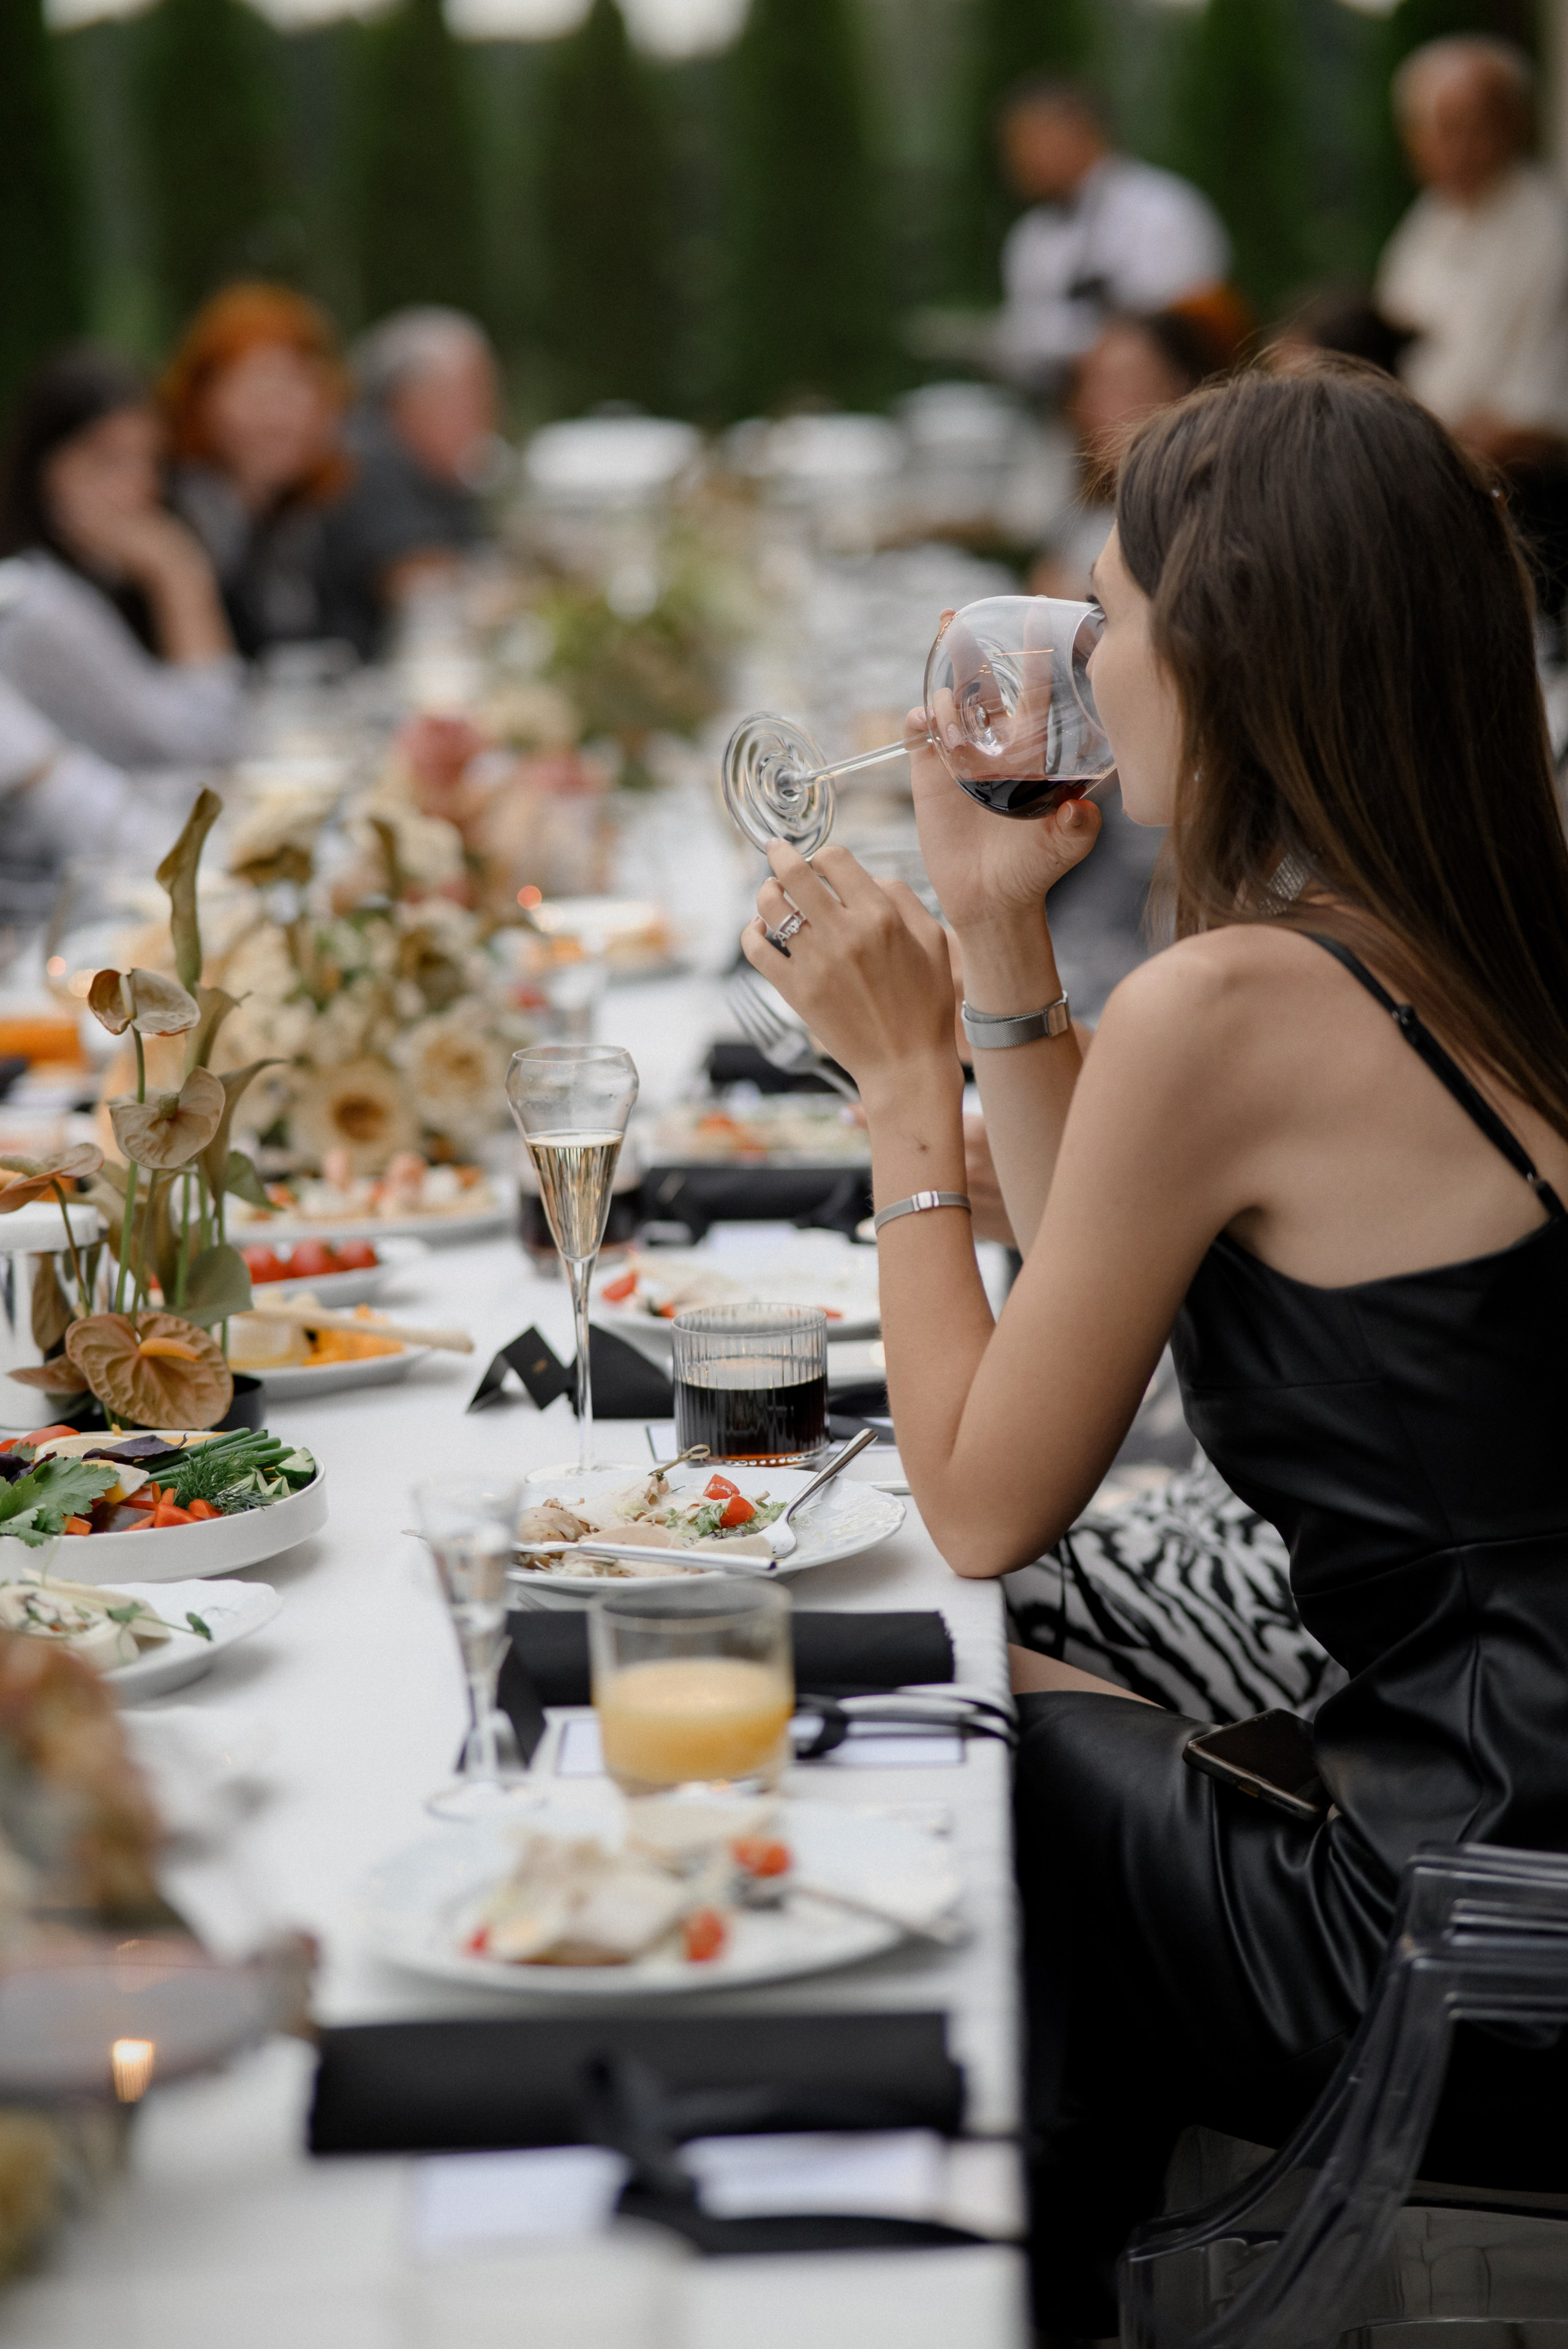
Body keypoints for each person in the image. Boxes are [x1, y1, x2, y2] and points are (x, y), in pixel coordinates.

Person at [740, 360, 1568, 2331]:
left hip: (1460, 1954)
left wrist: (889, 1079)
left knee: (892, 1708)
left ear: (1234, 643)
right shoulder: (1454, 932)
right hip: (1516, 1849)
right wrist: (1003, 955)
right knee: (974, 1673)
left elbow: (979, 1497)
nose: (1080, 664)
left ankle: (953, 2289)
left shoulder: (1238, 999)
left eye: (1105, 612)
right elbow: (1111, 1272)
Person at [0, 348, 241, 772]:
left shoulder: (104, 577)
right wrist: (181, 576)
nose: (138, 486)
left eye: (148, 460)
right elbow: (209, 743)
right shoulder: (38, 603)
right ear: (44, 471)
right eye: (106, 462)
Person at [1378, 37, 1568, 454]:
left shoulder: (1548, 230)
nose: (1458, 149)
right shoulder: (1427, 221)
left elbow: (1534, 417)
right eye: (1440, 129)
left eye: (1474, 126)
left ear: (1513, 125)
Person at [993, 77, 1230, 394]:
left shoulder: (1162, 211)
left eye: (1025, 143)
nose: (1015, 161)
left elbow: (1188, 330)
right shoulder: (1029, 235)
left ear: (1077, 132)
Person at [159, 283, 353, 658]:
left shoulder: (295, 518)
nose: (283, 415)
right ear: (203, 398)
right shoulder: (186, 516)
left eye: (301, 387)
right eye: (263, 388)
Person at [326, 308, 502, 657]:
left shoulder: (434, 469)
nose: (488, 416)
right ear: (407, 400)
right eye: (471, 397)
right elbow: (421, 589)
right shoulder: (366, 459)